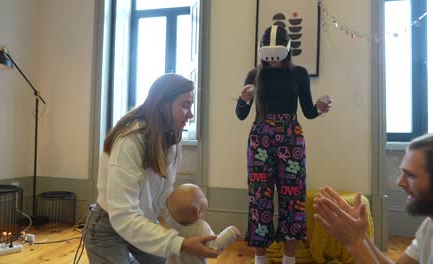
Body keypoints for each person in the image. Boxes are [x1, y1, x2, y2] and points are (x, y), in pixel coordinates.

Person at [83, 74, 220, 264]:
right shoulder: (129, 141)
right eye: (185, 105)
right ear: (163, 105)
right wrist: (180, 243)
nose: (191, 114)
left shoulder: (171, 139)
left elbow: (164, 194)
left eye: (191, 106)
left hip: (141, 223)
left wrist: (187, 228)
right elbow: (123, 216)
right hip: (107, 229)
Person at [235, 25, 332, 264]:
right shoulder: (253, 75)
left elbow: (308, 112)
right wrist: (243, 100)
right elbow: (240, 114)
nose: (272, 58)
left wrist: (319, 107)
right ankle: (260, 260)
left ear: (287, 50)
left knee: (293, 202)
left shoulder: (299, 73)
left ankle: (289, 260)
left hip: (291, 141)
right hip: (260, 141)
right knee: (260, 201)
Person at [313, 133, 433, 264]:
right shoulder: (429, 225)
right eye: (402, 172)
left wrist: (355, 243)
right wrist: (361, 236)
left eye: (410, 175)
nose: (400, 182)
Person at [162, 183, 241, 264]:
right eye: (203, 196)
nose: (205, 196)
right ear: (198, 212)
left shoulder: (170, 219)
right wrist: (231, 232)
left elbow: (168, 207)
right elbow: (214, 246)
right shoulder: (201, 227)